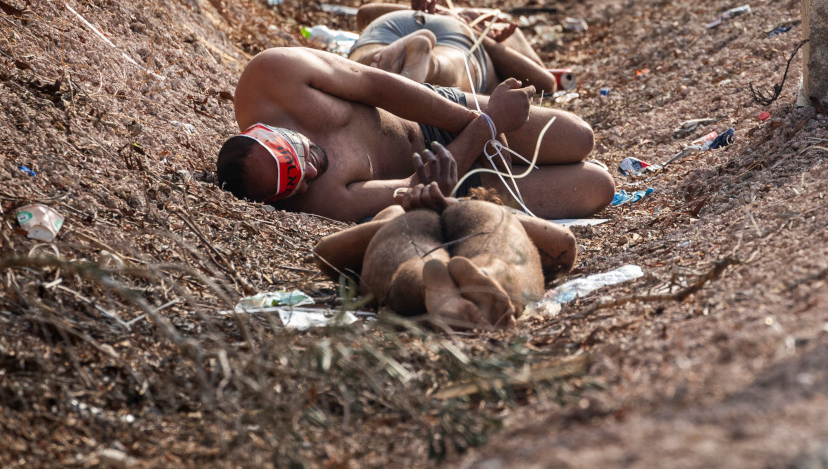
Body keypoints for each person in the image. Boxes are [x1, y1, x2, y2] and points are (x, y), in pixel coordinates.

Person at [214, 46, 613, 222]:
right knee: (597, 185)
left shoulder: (272, 76)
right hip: (452, 176)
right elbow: (414, 185)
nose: (313, 174)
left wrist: (471, 119)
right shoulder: (319, 200)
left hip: (432, 114)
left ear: (269, 130)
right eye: (297, 184)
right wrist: (487, 128)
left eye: (300, 160)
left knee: (579, 136)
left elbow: (377, 85)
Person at [312, 181, 577, 330]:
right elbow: (563, 242)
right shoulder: (490, 209)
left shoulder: (392, 212)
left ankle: (425, 288)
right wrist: (457, 205)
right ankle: (490, 275)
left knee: (416, 265)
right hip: (480, 213)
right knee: (498, 260)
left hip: (405, 223)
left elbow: (325, 253)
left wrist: (405, 211)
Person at [349, 0, 557, 96]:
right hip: (456, 36)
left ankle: (379, 62)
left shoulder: (489, 21)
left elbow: (365, 14)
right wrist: (474, 32)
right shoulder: (498, 24)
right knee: (445, 65)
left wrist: (417, 14)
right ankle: (426, 63)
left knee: (370, 55)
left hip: (399, 24)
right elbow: (545, 83)